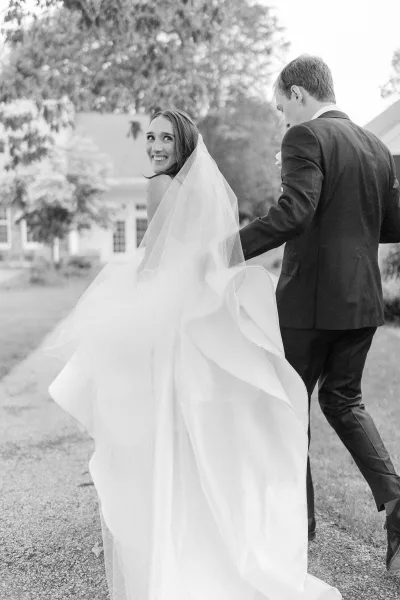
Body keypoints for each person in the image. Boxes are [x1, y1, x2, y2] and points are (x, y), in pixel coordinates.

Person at [47, 108, 341, 600]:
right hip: (190, 319)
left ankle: (164, 543)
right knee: (182, 433)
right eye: (151, 136)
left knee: (152, 428)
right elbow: (203, 258)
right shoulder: (197, 190)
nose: (156, 145)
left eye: (166, 137)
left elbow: (153, 264)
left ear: (183, 145)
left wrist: (126, 300)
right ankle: (189, 541)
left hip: (170, 324)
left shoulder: (161, 186)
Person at [239, 55, 400, 573]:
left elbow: (295, 211)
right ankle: (397, 500)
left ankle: (297, 523)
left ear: (299, 93)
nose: (282, 116)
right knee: (342, 399)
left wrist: (226, 250)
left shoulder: (305, 138)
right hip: (362, 300)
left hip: (309, 304)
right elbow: (392, 223)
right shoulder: (377, 146)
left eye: (281, 104)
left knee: (288, 411)